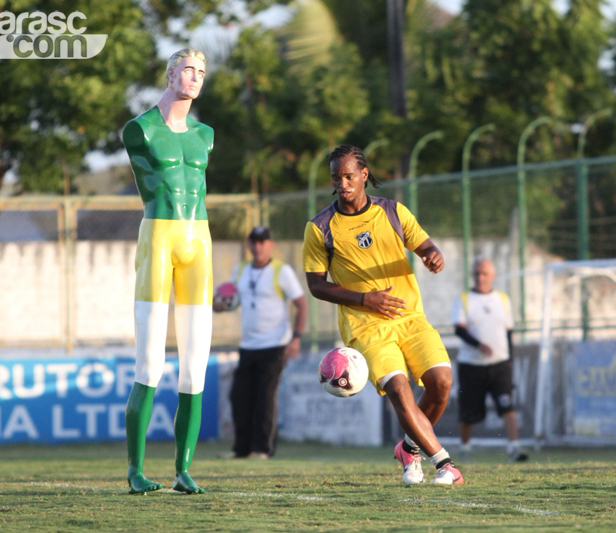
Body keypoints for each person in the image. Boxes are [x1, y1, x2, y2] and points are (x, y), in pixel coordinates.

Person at [302, 144, 463, 485]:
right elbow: (316, 286)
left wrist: (433, 256)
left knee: (442, 384)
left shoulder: (393, 212)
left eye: (348, 176)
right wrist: (365, 299)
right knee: (400, 390)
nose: (342, 183)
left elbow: (425, 245)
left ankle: (409, 448)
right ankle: (445, 465)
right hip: (367, 328)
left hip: (410, 318)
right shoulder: (320, 228)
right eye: (335, 177)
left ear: (364, 175)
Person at [122, 48, 215, 494]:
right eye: (187, 70)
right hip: (158, 237)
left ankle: (183, 470)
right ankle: (136, 470)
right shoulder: (138, 130)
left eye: (200, 72)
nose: (194, 78)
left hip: (200, 242)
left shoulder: (206, 134)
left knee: (195, 367)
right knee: (150, 365)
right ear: (170, 73)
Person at [214, 226, 308, 459]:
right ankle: (241, 449)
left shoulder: (281, 271)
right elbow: (229, 301)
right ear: (249, 245)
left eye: (262, 242)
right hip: (248, 345)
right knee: (239, 396)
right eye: (254, 242)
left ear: (270, 245)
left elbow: (302, 305)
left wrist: (296, 338)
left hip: (275, 344)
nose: (258, 247)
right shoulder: (241, 270)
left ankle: (262, 449)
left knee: (265, 397)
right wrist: (219, 305)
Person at [452, 257, 528, 463]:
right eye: (477, 273)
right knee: (468, 412)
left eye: (484, 273)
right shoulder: (464, 298)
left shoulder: (502, 299)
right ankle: (465, 448)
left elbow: (509, 332)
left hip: (500, 365)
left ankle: (514, 447)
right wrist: (478, 345)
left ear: (492, 276)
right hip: (471, 366)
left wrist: (510, 360)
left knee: (507, 406)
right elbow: (459, 329)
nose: (480, 278)